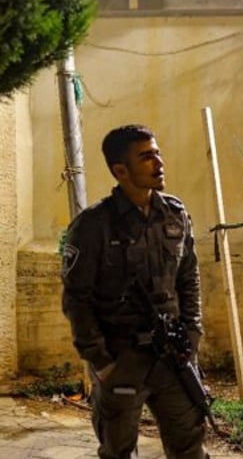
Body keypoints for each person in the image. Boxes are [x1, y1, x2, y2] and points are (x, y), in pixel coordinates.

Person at [61, 124, 208, 459]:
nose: (158, 162)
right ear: (120, 170)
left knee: (190, 448)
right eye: (146, 156)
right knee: (118, 451)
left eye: (157, 153)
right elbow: (76, 298)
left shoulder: (175, 213)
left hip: (173, 356)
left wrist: (193, 333)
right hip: (121, 357)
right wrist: (101, 360)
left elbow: (188, 278)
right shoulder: (93, 225)